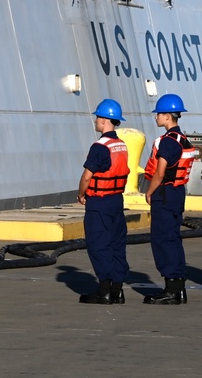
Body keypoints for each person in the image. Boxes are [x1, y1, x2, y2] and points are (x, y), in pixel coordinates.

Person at [143, 93, 195, 305]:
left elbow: (160, 172)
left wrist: (148, 191)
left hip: (164, 194)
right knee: (173, 239)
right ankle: (178, 288)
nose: (156, 118)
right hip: (177, 193)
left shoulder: (167, 142)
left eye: (158, 114)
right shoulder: (183, 139)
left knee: (162, 239)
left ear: (167, 116)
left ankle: (171, 290)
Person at [77, 98, 130, 304]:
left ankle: (104, 290)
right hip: (116, 200)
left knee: (99, 244)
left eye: (98, 117)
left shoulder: (100, 146)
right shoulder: (121, 145)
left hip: (99, 202)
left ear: (106, 120)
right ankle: (118, 290)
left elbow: (87, 176)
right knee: (117, 244)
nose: (96, 120)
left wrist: (81, 194)